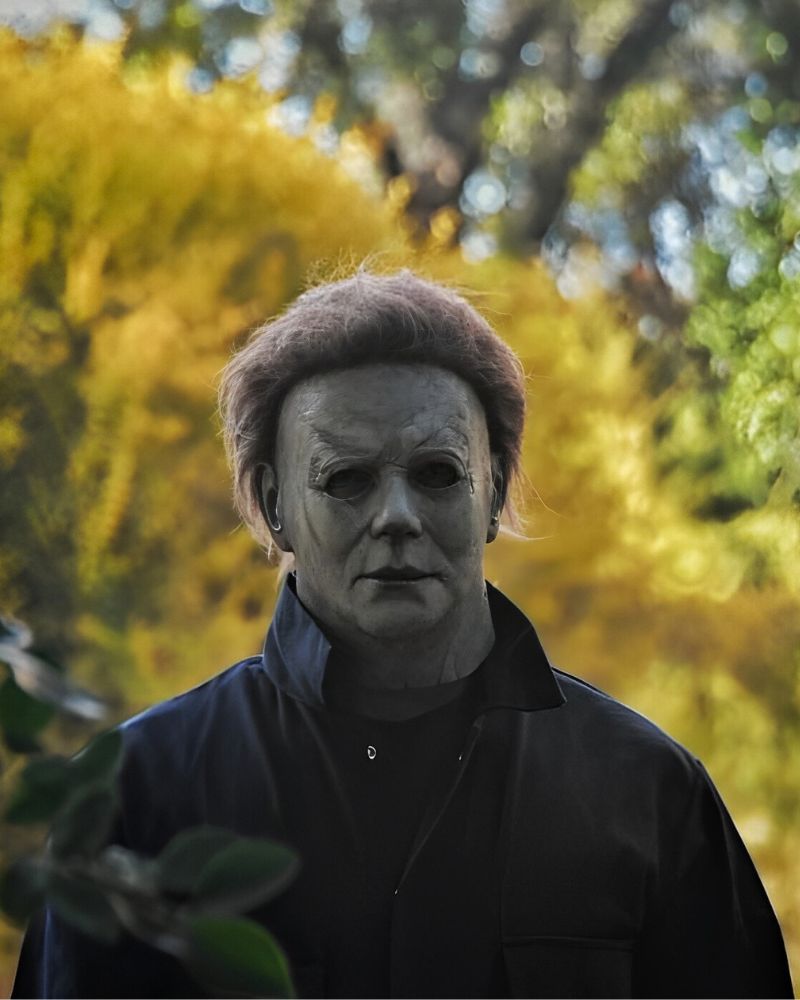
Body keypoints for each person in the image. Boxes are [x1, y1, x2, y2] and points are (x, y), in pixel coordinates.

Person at [14, 270, 793, 999]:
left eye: (437, 473)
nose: (396, 516)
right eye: (347, 479)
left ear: (494, 492)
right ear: (275, 505)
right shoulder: (139, 797)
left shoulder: (647, 794)